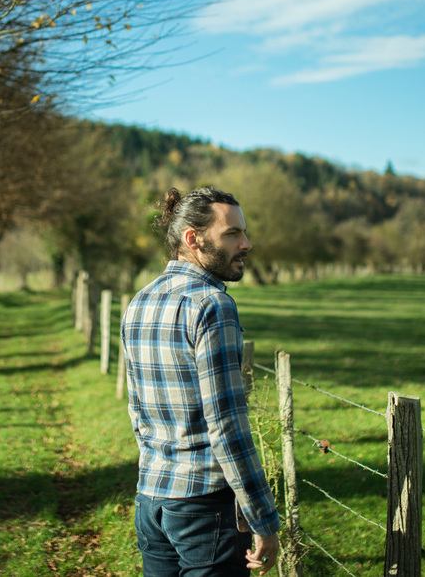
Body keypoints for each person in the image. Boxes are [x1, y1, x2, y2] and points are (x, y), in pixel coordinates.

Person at [121, 186, 281, 576]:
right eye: (232, 234)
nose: (247, 243)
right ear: (193, 239)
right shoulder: (212, 305)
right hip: (206, 509)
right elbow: (227, 427)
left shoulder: (140, 301)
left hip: (152, 500)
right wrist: (262, 520)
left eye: (243, 232)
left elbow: (136, 411)